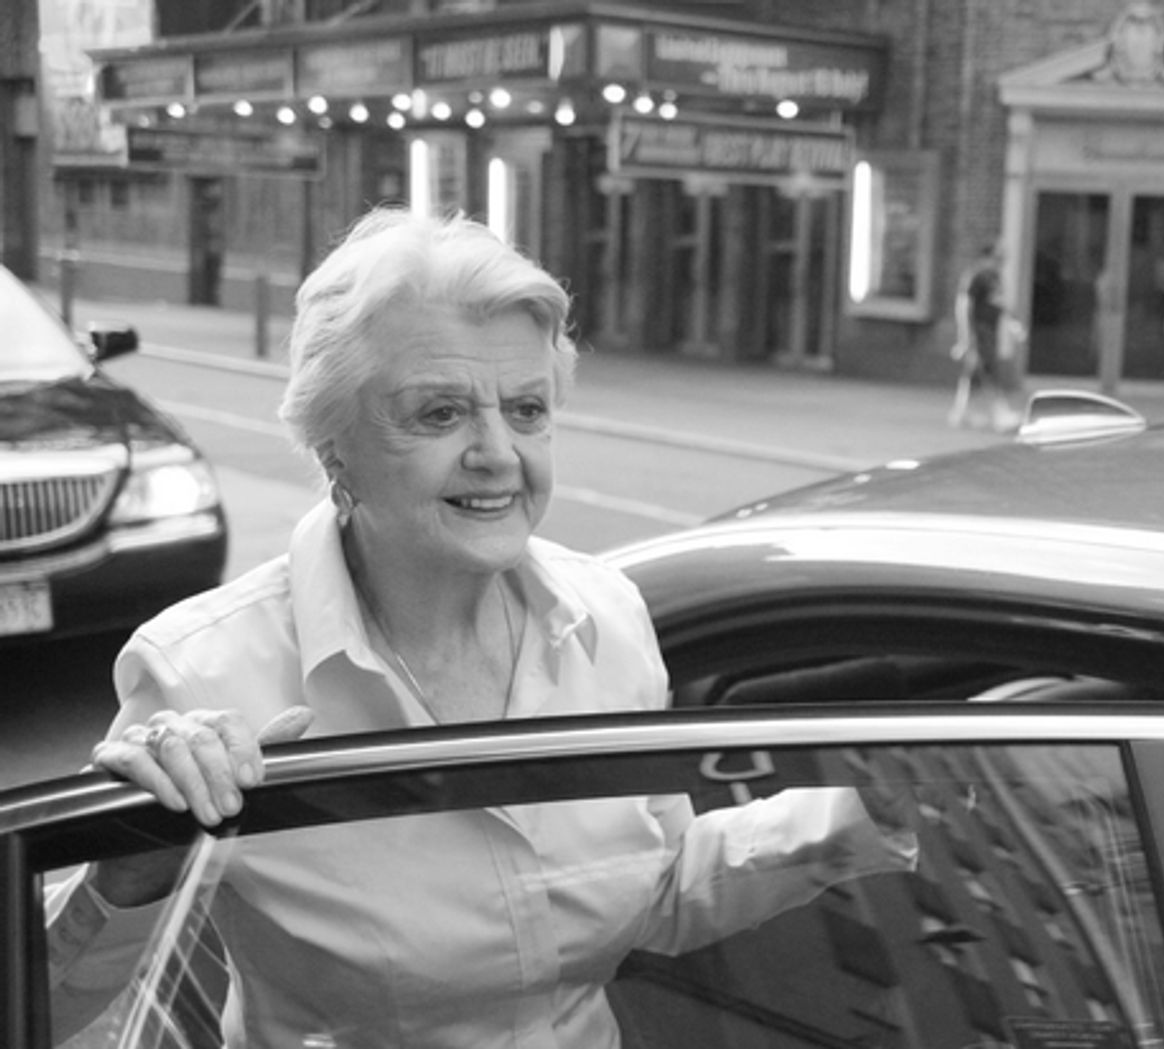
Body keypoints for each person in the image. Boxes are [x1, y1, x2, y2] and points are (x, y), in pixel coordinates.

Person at [45, 208, 915, 1048]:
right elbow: (44, 1001)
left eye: (527, 409)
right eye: (440, 412)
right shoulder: (205, 672)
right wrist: (129, 870)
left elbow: (658, 884)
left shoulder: (605, 619)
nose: (499, 452)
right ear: (331, 445)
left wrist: (859, 812)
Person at [949, 242, 1024, 431]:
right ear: (986, 257)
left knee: (974, 373)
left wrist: (1014, 324)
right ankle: (1000, 413)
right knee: (990, 370)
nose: (1001, 262)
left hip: (991, 329)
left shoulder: (995, 278)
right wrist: (965, 337)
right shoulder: (976, 277)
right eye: (998, 258)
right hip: (979, 330)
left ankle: (961, 413)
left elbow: (1001, 304)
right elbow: (963, 306)